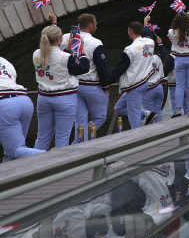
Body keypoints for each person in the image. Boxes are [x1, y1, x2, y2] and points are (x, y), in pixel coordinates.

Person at [51, 12, 111, 140]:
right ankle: (79, 143)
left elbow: (54, 49)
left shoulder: (65, 38)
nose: (97, 26)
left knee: (80, 121)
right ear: (90, 25)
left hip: (73, 85)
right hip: (92, 86)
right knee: (99, 118)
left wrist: (54, 23)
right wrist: (106, 84)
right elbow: (102, 67)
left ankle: (79, 146)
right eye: (95, 23)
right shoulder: (95, 43)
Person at [33, 25, 90, 150]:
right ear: (60, 38)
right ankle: (60, 167)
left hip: (43, 98)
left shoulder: (36, 54)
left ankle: (35, 165)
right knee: (62, 138)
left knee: (42, 137)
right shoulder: (65, 57)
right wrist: (82, 51)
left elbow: (56, 61)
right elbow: (83, 68)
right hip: (64, 99)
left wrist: (68, 49)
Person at [106, 18, 159, 129]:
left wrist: (107, 82)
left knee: (134, 119)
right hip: (144, 82)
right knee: (118, 107)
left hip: (134, 85)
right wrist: (146, 23)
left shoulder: (130, 49)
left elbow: (119, 68)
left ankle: (138, 141)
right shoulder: (150, 43)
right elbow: (149, 34)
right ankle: (146, 114)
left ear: (130, 31)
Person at [0, 56, 45, 160]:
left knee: (15, 150)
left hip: (4, 104)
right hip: (23, 100)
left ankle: (54, 156)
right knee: (12, 151)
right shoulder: (3, 60)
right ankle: (8, 176)